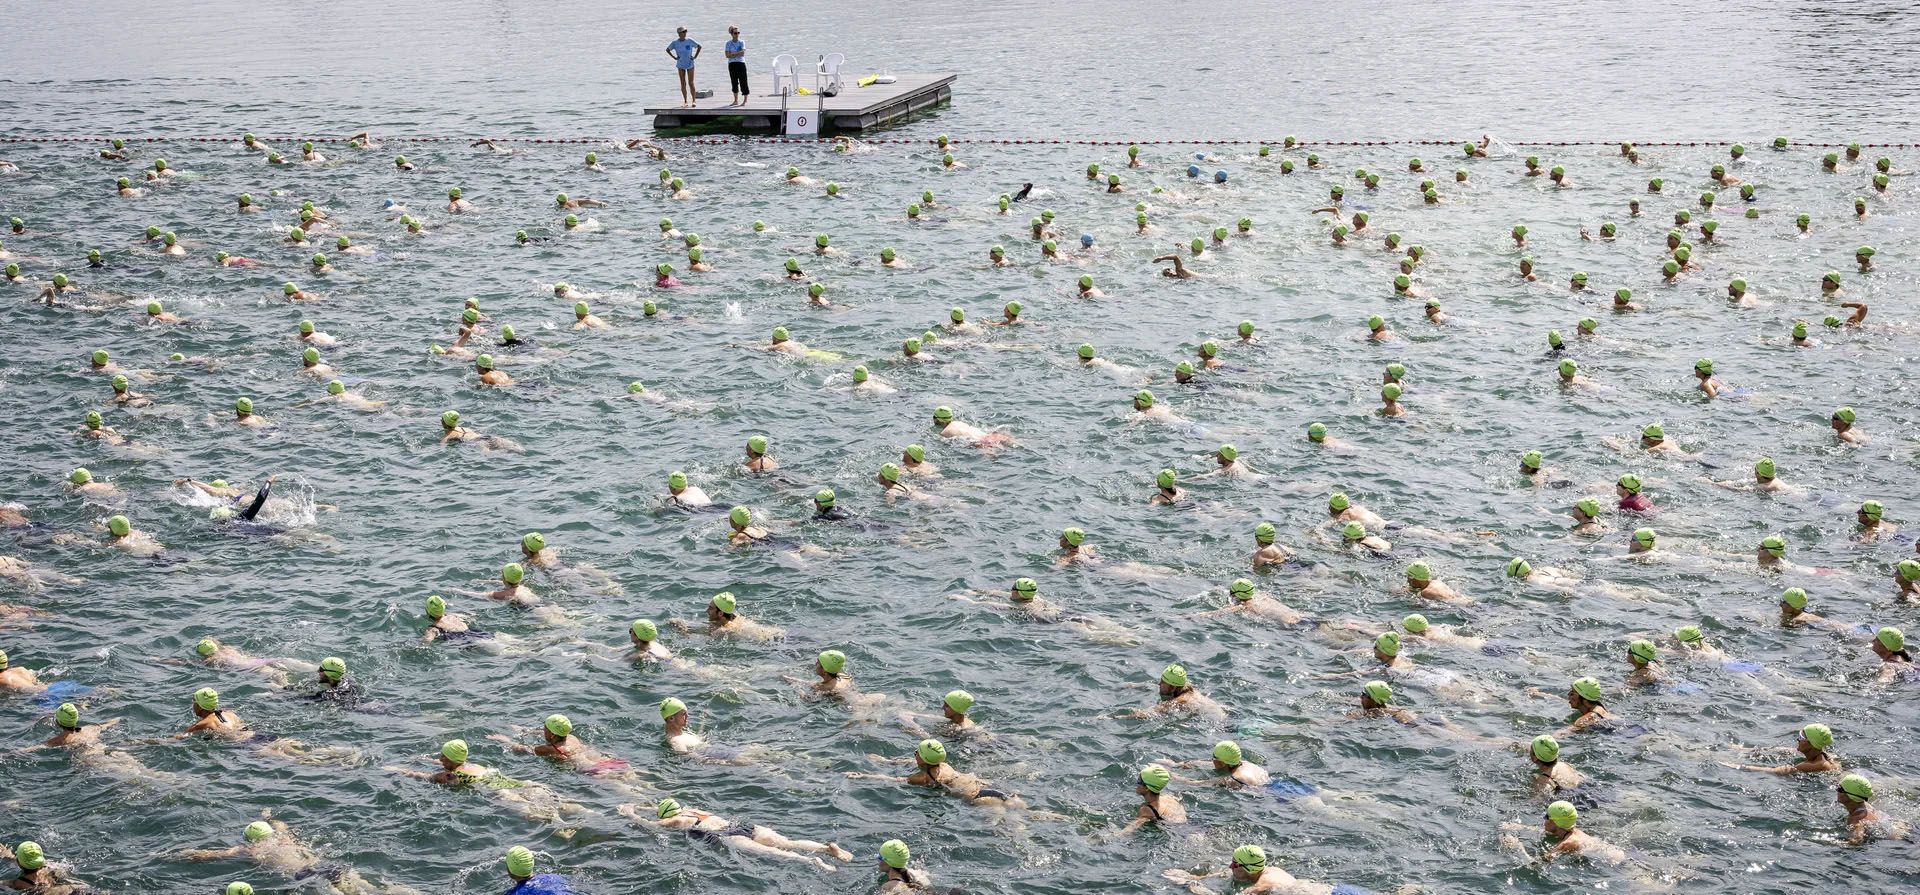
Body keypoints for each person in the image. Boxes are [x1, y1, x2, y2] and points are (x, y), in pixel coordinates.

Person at [620, 798, 851, 870]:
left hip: (728, 834)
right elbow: (662, 810)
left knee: (775, 854)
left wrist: (630, 813)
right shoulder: (693, 810)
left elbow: (650, 824)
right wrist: (646, 805)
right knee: (786, 842)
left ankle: (814, 861)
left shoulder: (677, 819)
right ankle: (824, 847)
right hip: (746, 826)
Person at [667, 28, 701, 107]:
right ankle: (685, 101)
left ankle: (694, 101)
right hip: (680, 64)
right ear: (679, 33)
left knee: (691, 83)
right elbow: (668, 50)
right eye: (683, 32)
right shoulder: (675, 43)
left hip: (690, 64)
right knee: (683, 83)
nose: (685, 33)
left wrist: (695, 56)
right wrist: (674, 57)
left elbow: (699, 47)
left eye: (686, 31)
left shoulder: (689, 40)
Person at [724, 26, 749, 105]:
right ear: (731, 34)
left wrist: (733, 54)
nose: (737, 34)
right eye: (735, 33)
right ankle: (736, 100)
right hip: (732, 64)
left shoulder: (741, 42)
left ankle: (745, 100)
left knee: (743, 81)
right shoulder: (728, 43)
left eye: (738, 33)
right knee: (734, 82)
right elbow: (727, 55)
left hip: (741, 63)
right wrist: (738, 53)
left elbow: (743, 53)